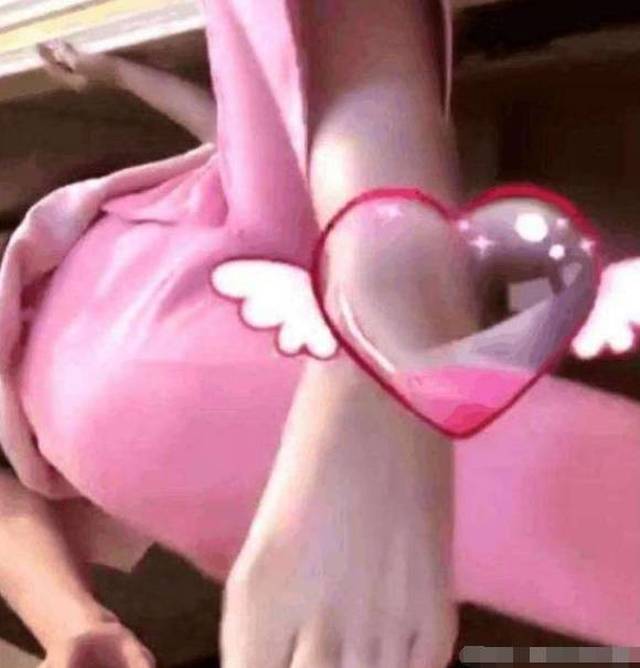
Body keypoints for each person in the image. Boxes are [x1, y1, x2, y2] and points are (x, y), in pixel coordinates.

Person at [1, 3, 639, 667]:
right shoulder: (166, 220)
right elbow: (269, 119)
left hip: (108, 416)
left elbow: (269, 119)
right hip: (135, 369)